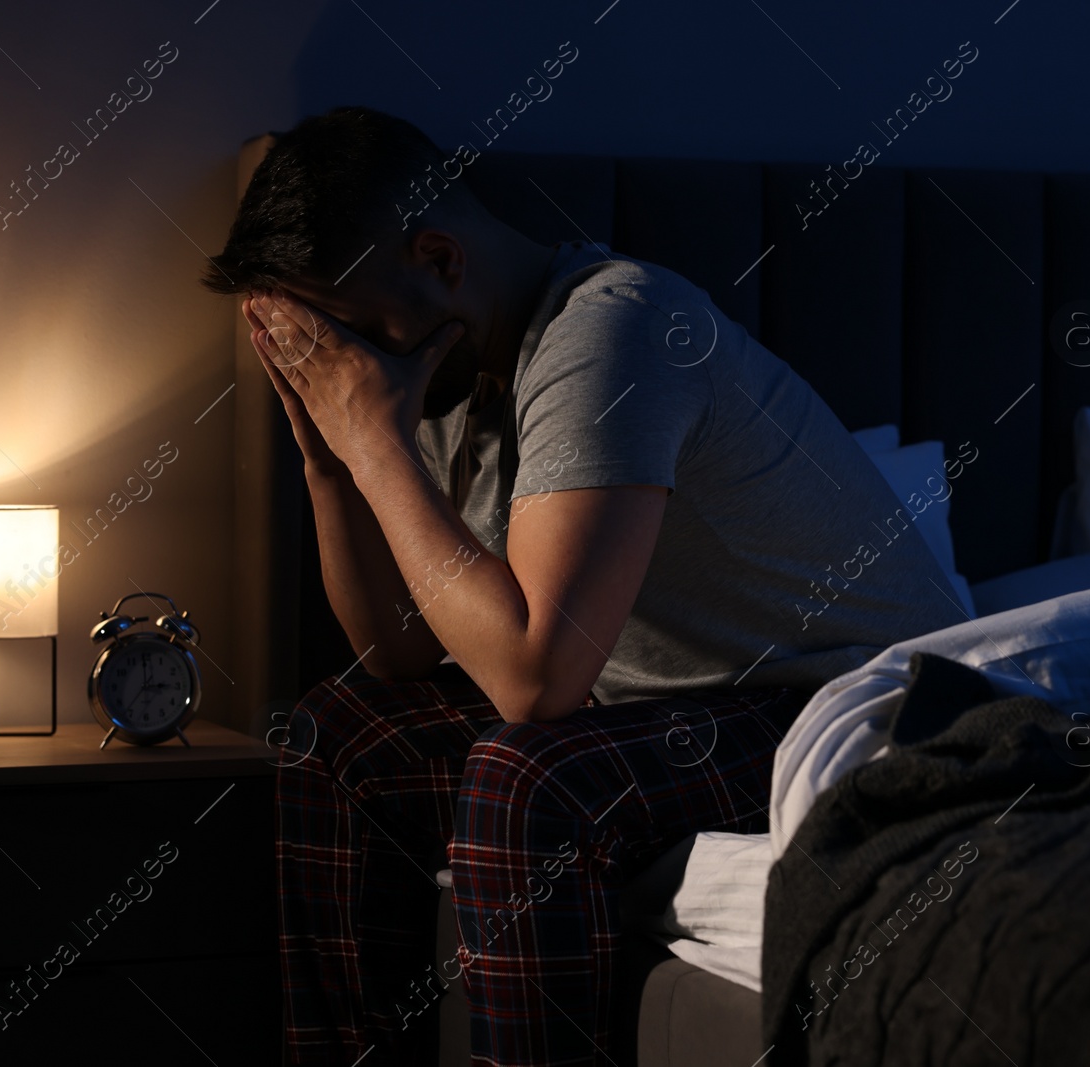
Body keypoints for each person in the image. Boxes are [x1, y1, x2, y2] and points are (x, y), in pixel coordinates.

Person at [203, 106, 965, 1067]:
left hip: (849, 705)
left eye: (348, 334)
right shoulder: (434, 360)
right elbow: (394, 651)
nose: (341, 370)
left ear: (439, 259)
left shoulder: (614, 330)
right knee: (340, 734)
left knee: (528, 783)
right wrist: (330, 457)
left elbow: (536, 681)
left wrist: (372, 439)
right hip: (671, 712)